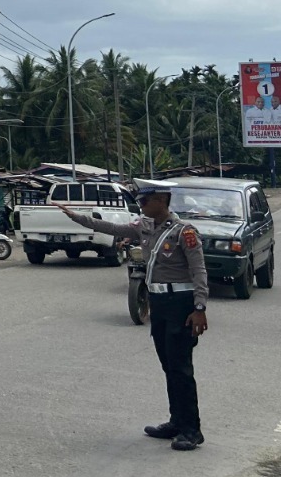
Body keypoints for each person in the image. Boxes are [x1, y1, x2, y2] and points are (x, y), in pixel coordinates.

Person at [58, 182, 208, 449]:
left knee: (181, 368)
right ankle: (176, 421)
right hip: (159, 304)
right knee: (168, 366)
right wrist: (75, 217)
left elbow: (199, 271)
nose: (141, 205)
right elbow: (112, 229)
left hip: (180, 305)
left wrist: (199, 309)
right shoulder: (145, 227)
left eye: (146, 200)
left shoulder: (184, 232)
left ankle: (192, 430)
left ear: (161, 200)